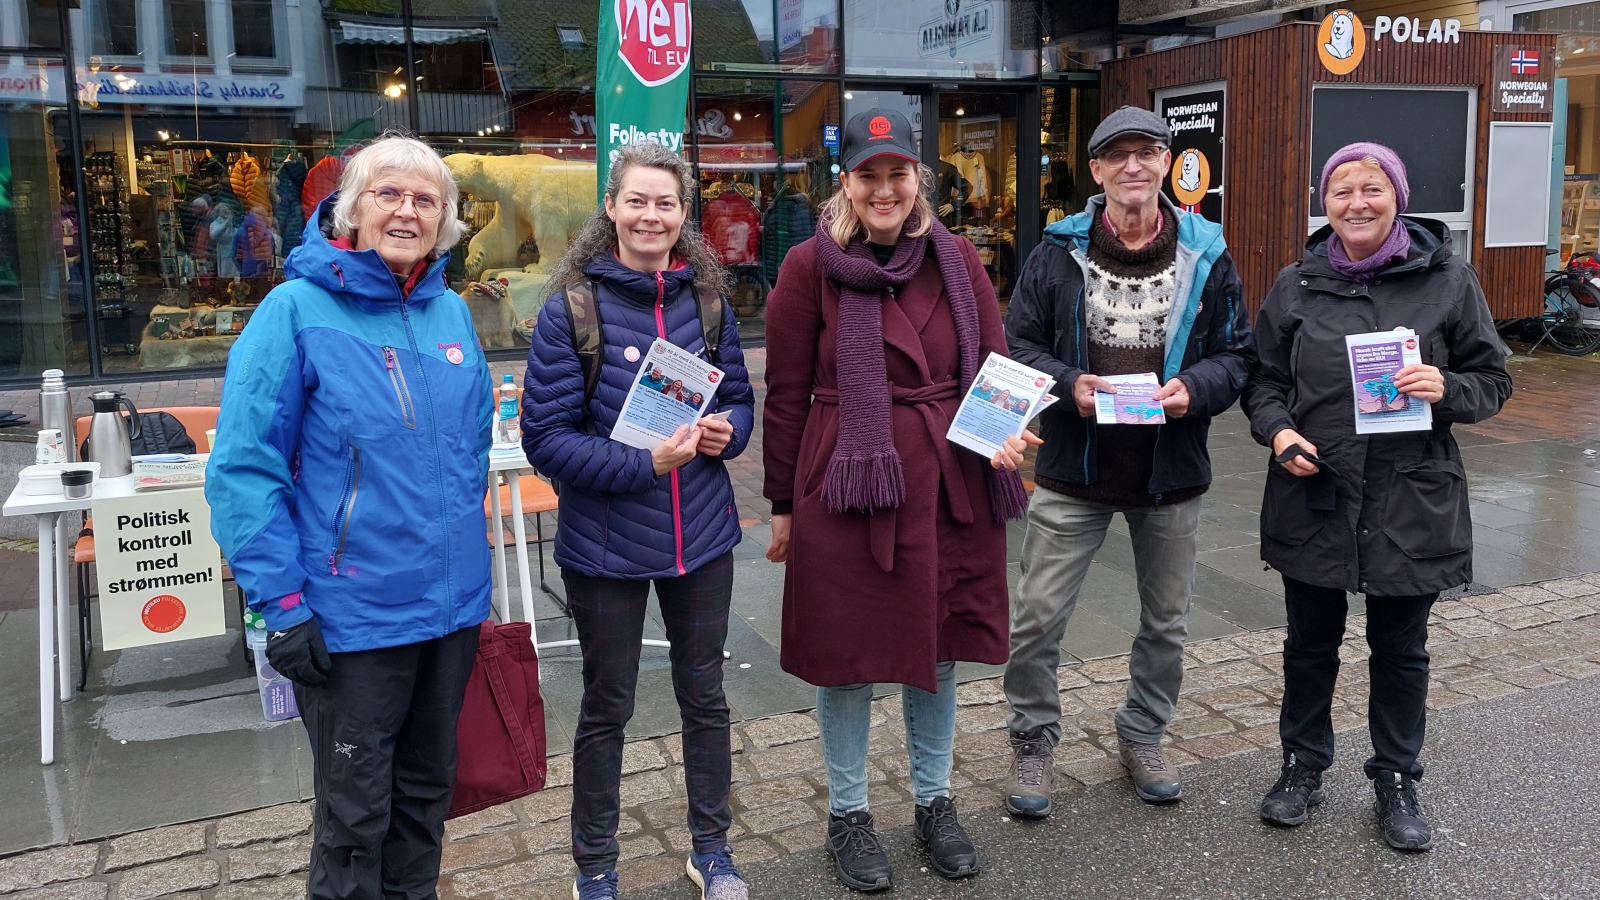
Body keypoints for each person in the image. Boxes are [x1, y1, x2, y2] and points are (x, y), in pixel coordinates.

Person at [206, 133, 489, 900]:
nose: (406, 211)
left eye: (426, 199)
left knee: (427, 800)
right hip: (352, 618)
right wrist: (281, 605)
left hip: (451, 613)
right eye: (387, 194)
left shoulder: (452, 315)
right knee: (356, 821)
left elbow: (468, 450)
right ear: (350, 209)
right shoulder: (294, 311)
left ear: (446, 221)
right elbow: (243, 468)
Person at [763, 108, 1035, 893]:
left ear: (920, 176)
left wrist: (1006, 436)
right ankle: (847, 813)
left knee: (937, 651)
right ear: (844, 180)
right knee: (846, 657)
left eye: (898, 172)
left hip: (949, 481)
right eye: (868, 174)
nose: (884, 188)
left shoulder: (958, 259)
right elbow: (784, 395)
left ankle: (934, 800)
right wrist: (782, 501)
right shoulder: (808, 267)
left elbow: (996, 369)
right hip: (846, 483)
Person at [1242, 142, 1510, 850]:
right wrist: (1279, 434)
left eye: (1371, 189)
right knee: (1309, 645)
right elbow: (1262, 380)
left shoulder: (1449, 280)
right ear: (1323, 203)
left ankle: (1396, 777)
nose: (1356, 203)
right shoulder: (1297, 283)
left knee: (1401, 649)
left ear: (1397, 194)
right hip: (1316, 489)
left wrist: (1445, 389)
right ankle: (1302, 765)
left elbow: (1494, 381)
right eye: (1340, 191)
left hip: (1409, 496)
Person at [1002, 106, 1256, 815]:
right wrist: (1068, 383)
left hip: (1168, 470)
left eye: (1148, 153)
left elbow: (1239, 355)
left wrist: (1193, 390)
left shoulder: (1206, 251)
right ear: (1098, 171)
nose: (1134, 167)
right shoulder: (1056, 251)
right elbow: (1016, 343)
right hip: (1074, 468)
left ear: (1166, 163)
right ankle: (1032, 739)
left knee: (1166, 623)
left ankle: (1142, 732)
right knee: (1037, 618)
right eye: (1119, 156)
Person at [521, 142, 755, 900]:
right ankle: (595, 865)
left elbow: (742, 403)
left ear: (684, 216)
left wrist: (728, 433)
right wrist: (643, 467)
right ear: (613, 209)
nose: (651, 215)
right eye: (637, 200)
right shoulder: (572, 308)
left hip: (704, 539)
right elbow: (546, 440)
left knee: (706, 697)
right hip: (606, 547)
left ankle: (711, 851)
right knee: (606, 708)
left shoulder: (709, 303)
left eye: (666, 203)